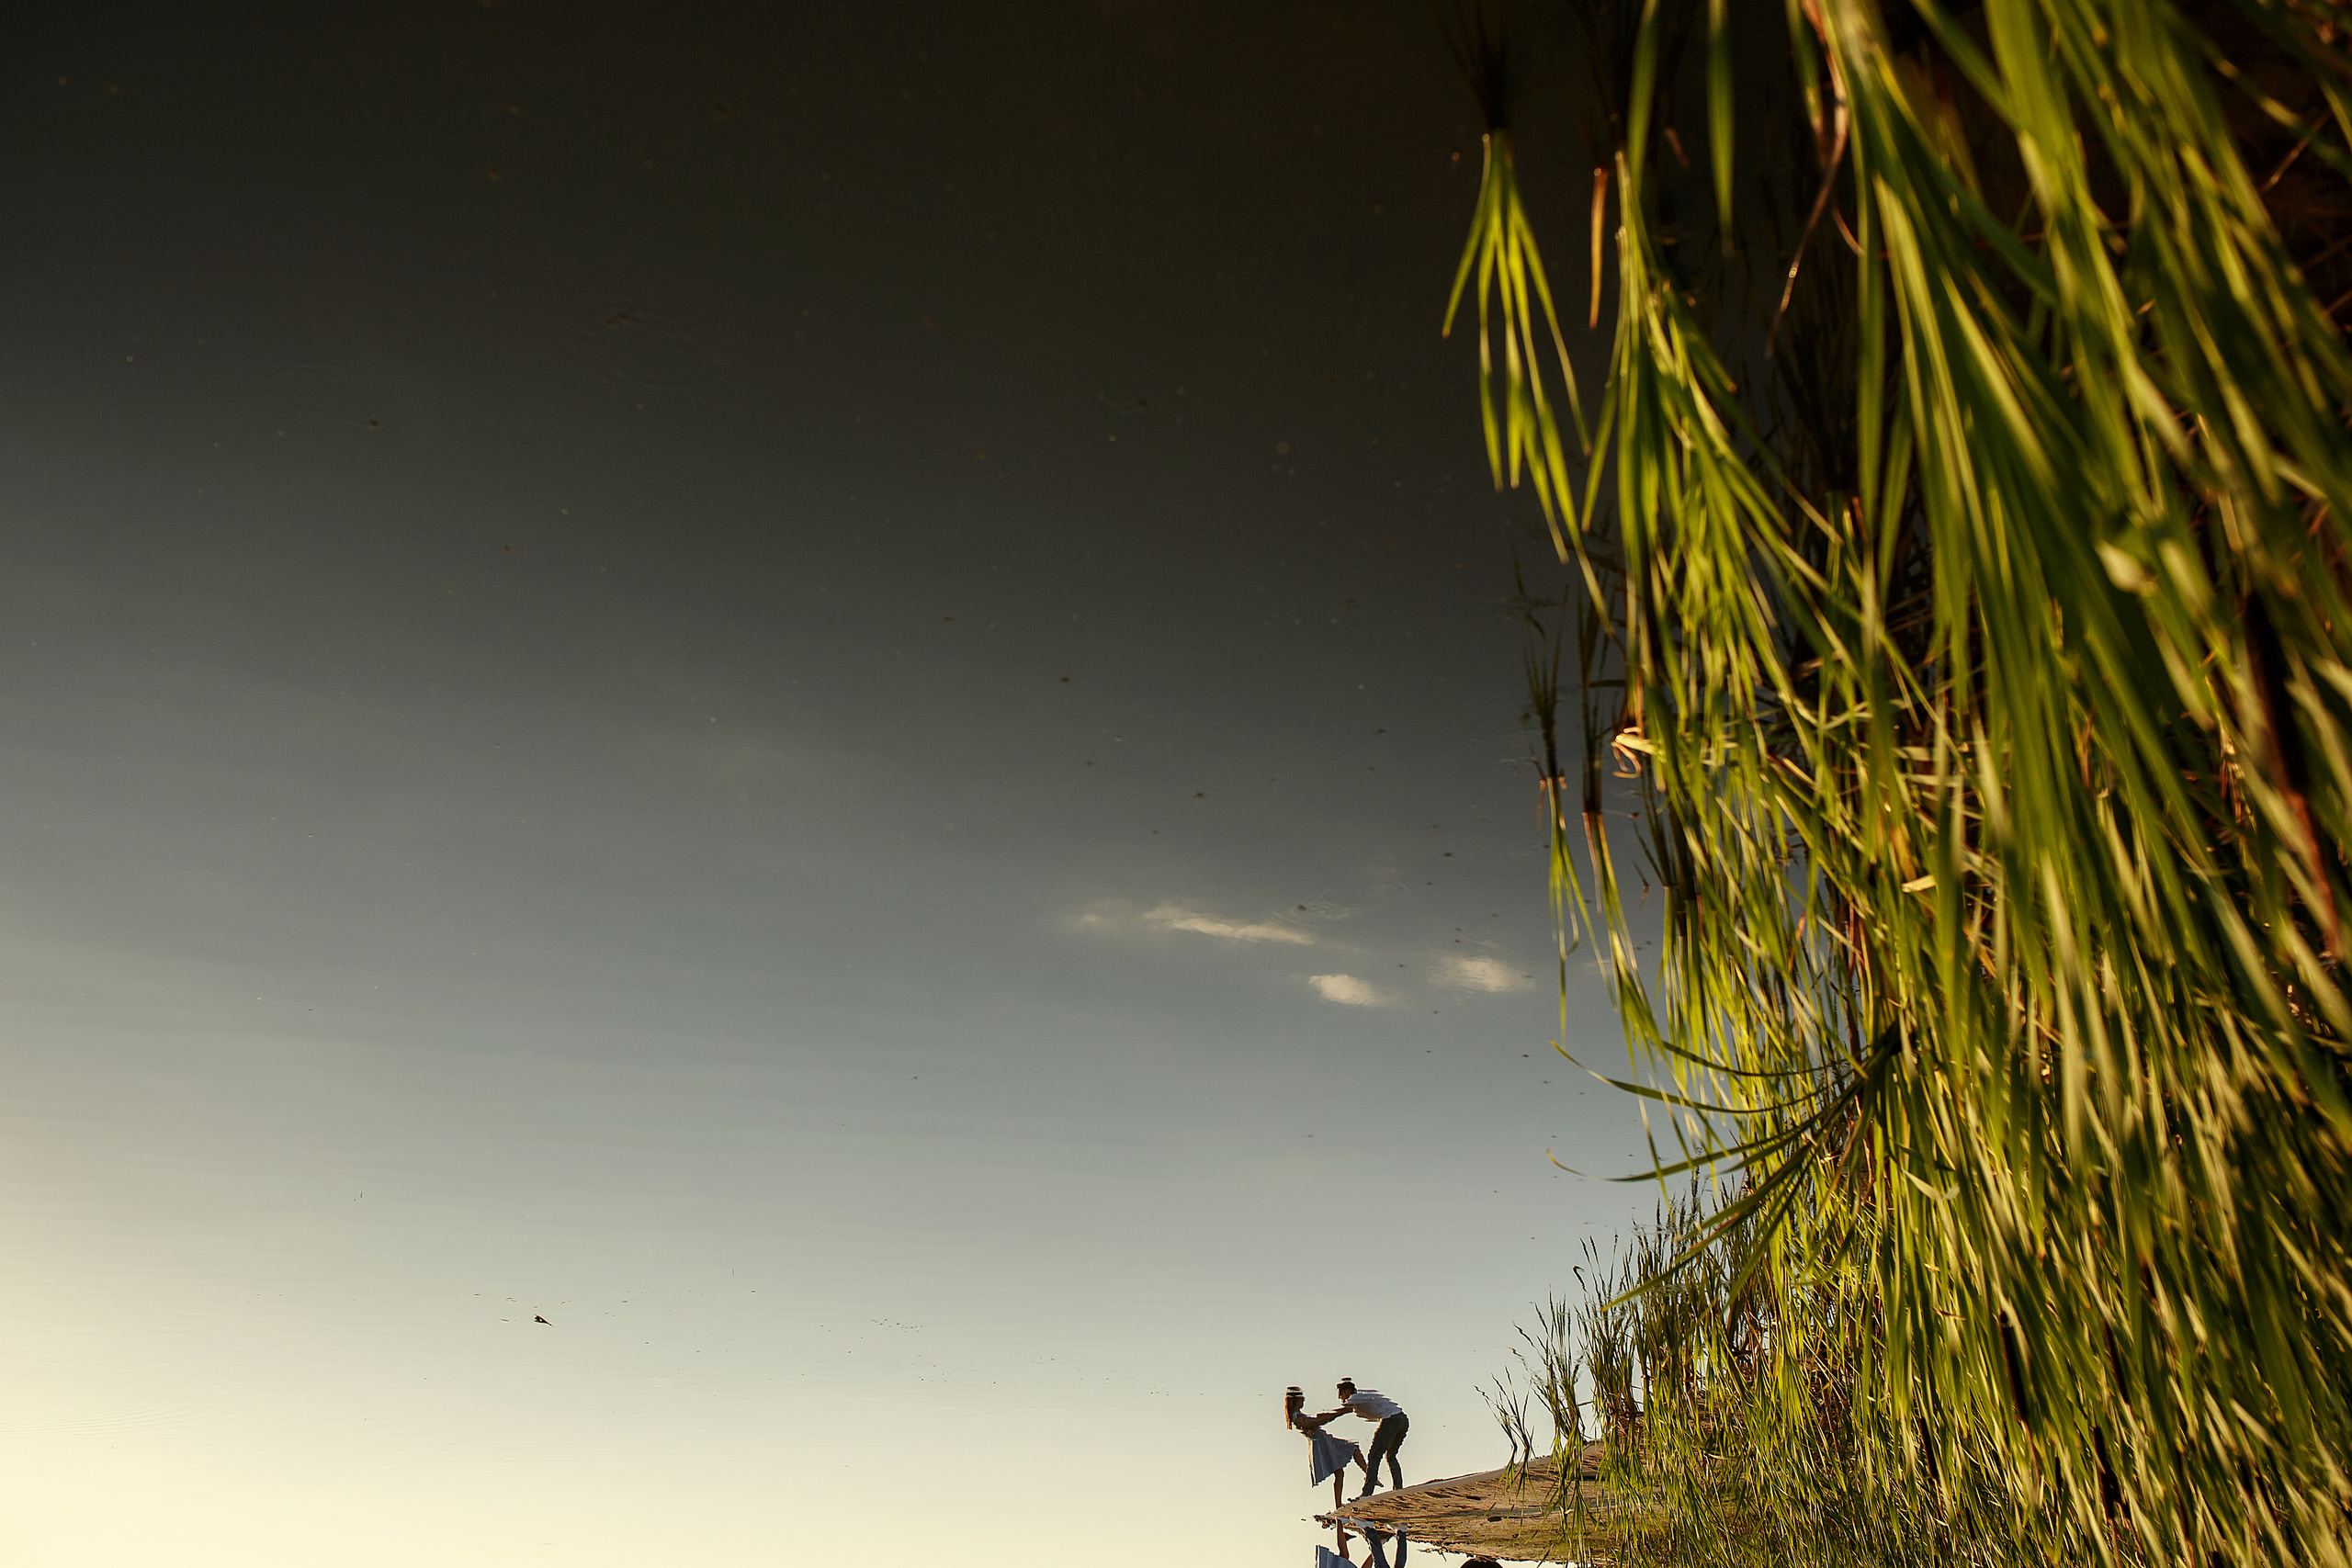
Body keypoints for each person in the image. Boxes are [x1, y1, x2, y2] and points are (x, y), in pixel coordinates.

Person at [1311, 1380, 1408, 1498]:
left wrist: (1319, 1420)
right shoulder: (1361, 1396)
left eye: (1340, 1395)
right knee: (1390, 1456)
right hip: (1403, 1420)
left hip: (1391, 1420)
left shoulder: (1354, 1398)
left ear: (1347, 1392)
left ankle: (1367, 1493)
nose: (1340, 1398)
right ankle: (1398, 1489)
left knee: (1374, 1456)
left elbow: (1340, 1412)